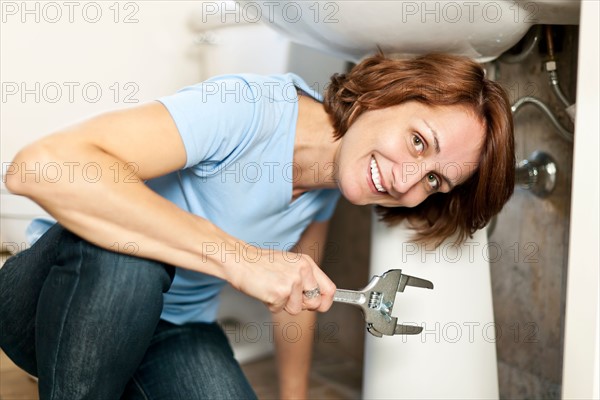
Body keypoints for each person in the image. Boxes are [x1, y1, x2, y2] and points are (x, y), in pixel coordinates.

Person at [0, 53, 515, 399]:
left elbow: (298, 296)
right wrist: (240, 258)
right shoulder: (249, 109)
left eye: (434, 181)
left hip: (172, 329)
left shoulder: (329, 186)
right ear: (389, 92)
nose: (406, 181)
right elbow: (37, 167)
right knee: (133, 252)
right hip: (52, 300)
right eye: (419, 141)